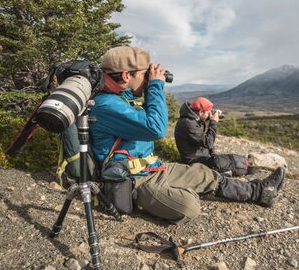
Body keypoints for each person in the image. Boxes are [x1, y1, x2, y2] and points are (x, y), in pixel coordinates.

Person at [89, 46, 286, 224]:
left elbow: (143, 116)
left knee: (205, 174)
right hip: (133, 180)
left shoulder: (121, 97)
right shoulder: (106, 105)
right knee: (189, 207)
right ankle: (157, 198)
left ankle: (260, 191)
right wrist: (155, 85)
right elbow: (156, 128)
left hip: (150, 168)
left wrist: (146, 85)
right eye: (144, 74)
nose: (149, 78)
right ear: (125, 76)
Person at [175, 97, 253, 176]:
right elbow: (208, 143)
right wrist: (213, 122)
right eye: (208, 112)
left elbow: (202, 137)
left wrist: (209, 114)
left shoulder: (191, 117)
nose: (210, 114)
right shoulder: (188, 124)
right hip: (194, 161)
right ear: (201, 112)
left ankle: (245, 163)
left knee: (228, 158)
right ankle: (246, 169)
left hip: (202, 155)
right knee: (223, 163)